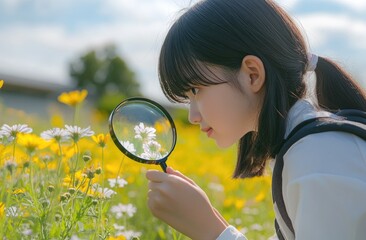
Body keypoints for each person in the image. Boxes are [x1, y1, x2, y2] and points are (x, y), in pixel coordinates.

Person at [145, 0, 366, 239]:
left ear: (252, 74)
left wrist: (211, 231)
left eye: (196, 90)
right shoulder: (309, 149)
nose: (193, 116)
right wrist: (212, 223)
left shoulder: (319, 159)